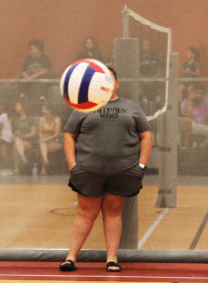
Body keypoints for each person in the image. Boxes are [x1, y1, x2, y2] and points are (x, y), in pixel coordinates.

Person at [60, 66, 152, 272]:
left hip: (122, 171)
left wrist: (141, 166)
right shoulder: (84, 106)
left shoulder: (132, 107)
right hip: (89, 171)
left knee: (113, 211)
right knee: (85, 212)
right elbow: (69, 135)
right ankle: (71, 258)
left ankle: (112, 259)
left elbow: (146, 135)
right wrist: (73, 166)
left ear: (117, 84)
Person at [12, 100, 38, 173]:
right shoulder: (14, 119)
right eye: (15, 106)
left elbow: (34, 132)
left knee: (16, 147)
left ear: (23, 107)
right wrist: (16, 136)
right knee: (16, 142)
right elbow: (14, 133)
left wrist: (23, 136)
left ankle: (16, 169)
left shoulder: (30, 118)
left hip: (29, 141)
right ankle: (23, 159)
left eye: (17, 105)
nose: (15, 107)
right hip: (18, 140)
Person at [180, 83, 208, 149]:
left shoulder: (206, 100)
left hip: (205, 126)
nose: (199, 95)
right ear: (192, 92)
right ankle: (186, 146)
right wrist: (190, 99)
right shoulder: (185, 102)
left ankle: (200, 146)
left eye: (201, 93)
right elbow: (187, 116)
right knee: (186, 120)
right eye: (197, 93)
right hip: (192, 126)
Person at [38, 102, 62, 176]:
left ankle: (43, 169)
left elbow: (56, 134)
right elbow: (39, 132)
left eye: (44, 109)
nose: (42, 110)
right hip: (44, 141)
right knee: (43, 145)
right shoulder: (41, 119)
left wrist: (45, 139)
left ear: (50, 110)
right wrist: (42, 138)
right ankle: (45, 161)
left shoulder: (57, 119)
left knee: (43, 146)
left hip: (54, 141)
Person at [139, 39, 162, 103]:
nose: (146, 47)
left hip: (154, 80)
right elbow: (136, 71)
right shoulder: (138, 57)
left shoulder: (155, 57)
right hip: (142, 81)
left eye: (148, 45)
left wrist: (152, 79)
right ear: (141, 47)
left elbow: (159, 70)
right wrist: (144, 79)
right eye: (144, 45)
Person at [0, 102, 14, 176]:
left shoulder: (2, 116)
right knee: (8, 153)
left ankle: (5, 169)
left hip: (4, 136)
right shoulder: (8, 115)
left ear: (2, 106)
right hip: (10, 136)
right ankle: (8, 169)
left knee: (3, 153)